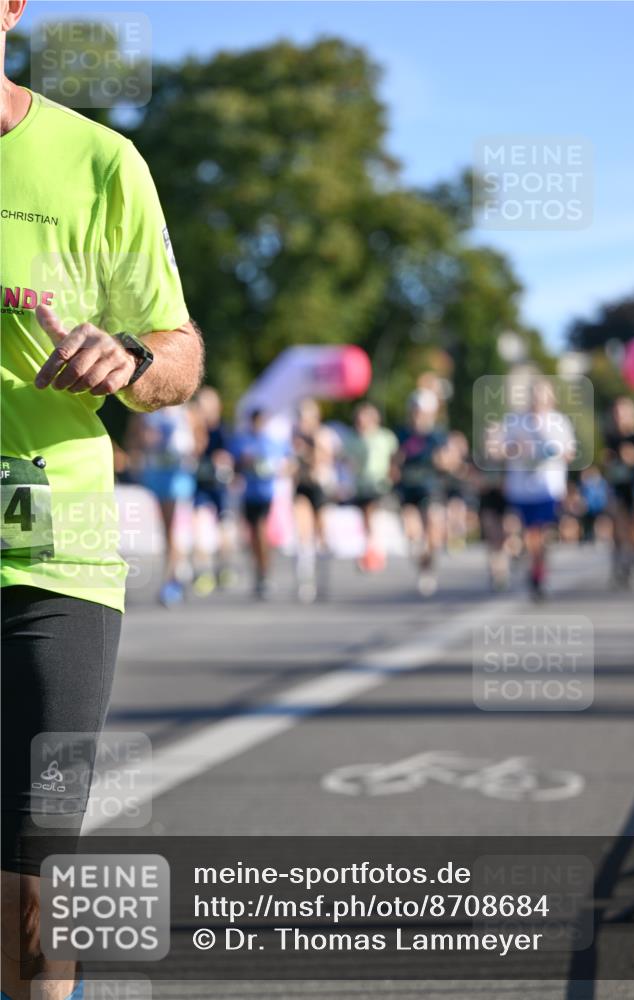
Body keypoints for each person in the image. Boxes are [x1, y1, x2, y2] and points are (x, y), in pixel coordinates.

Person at [0, 4, 204, 997]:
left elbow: (179, 354)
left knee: (32, 874)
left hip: (52, 556)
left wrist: (126, 357)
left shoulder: (98, 162)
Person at [501, 378, 576, 599]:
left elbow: (570, 453)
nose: (538, 398)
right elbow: (503, 450)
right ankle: (533, 568)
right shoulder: (516, 420)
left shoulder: (559, 421)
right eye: (535, 394)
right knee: (527, 533)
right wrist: (518, 448)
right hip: (521, 487)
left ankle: (539, 574)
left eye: (543, 394)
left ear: (551, 397)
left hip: (549, 486)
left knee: (542, 534)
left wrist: (553, 451)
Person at [126, 403, 199, 606]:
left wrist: (188, 450)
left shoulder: (186, 413)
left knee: (172, 529)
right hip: (155, 477)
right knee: (163, 530)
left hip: (179, 478)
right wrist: (142, 444)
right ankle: (177, 573)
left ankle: (172, 580)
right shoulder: (146, 413)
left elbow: (200, 442)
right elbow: (134, 440)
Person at [393, 388, 447, 596]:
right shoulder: (402, 433)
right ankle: (421, 562)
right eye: (415, 411)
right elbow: (394, 460)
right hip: (407, 488)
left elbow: (446, 461)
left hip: (430, 487)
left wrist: (441, 460)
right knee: (413, 532)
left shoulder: (436, 435)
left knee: (433, 530)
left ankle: (428, 567)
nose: (418, 415)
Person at [232, 409, 290, 598]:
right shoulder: (243, 441)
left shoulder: (272, 442)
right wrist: (244, 464)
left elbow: (287, 462)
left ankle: (265, 571)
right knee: (253, 536)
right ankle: (259, 570)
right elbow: (235, 465)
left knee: (261, 530)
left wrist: (279, 469)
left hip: (266, 494)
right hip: (249, 494)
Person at [291, 398, 338, 602]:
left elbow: (324, 459)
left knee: (322, 533)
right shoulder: (294, 436)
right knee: (303, 533)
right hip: (302, 486)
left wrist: (310, 448)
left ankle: (323, 577)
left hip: (319, 487)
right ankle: (305, 581)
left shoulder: (323, 435)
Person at [344, 402, 398, 573]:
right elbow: (346, 463)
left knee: (374, 514)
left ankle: (375, 553)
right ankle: (370, 552)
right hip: (360, 485)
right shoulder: (352, 439)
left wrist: (392, 475)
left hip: (380, 484)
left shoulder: (385, 437)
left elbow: (394, 459)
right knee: (366, 519)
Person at [191, 386, 235, 596]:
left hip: (219, 485)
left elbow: (229, 456)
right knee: (199, 525)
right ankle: (203, 572)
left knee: (224, 528)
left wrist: (223, 461)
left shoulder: (222, 430)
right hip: (199, 484)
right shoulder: (193, 428)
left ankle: (224, 566)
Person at [602, 396, 634, 587]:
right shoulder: (610, 437)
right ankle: (618, 567)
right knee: (617, 527)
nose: (620, 417)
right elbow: (605, 461)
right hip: (617, 488)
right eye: (618, 413)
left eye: (624, 412)